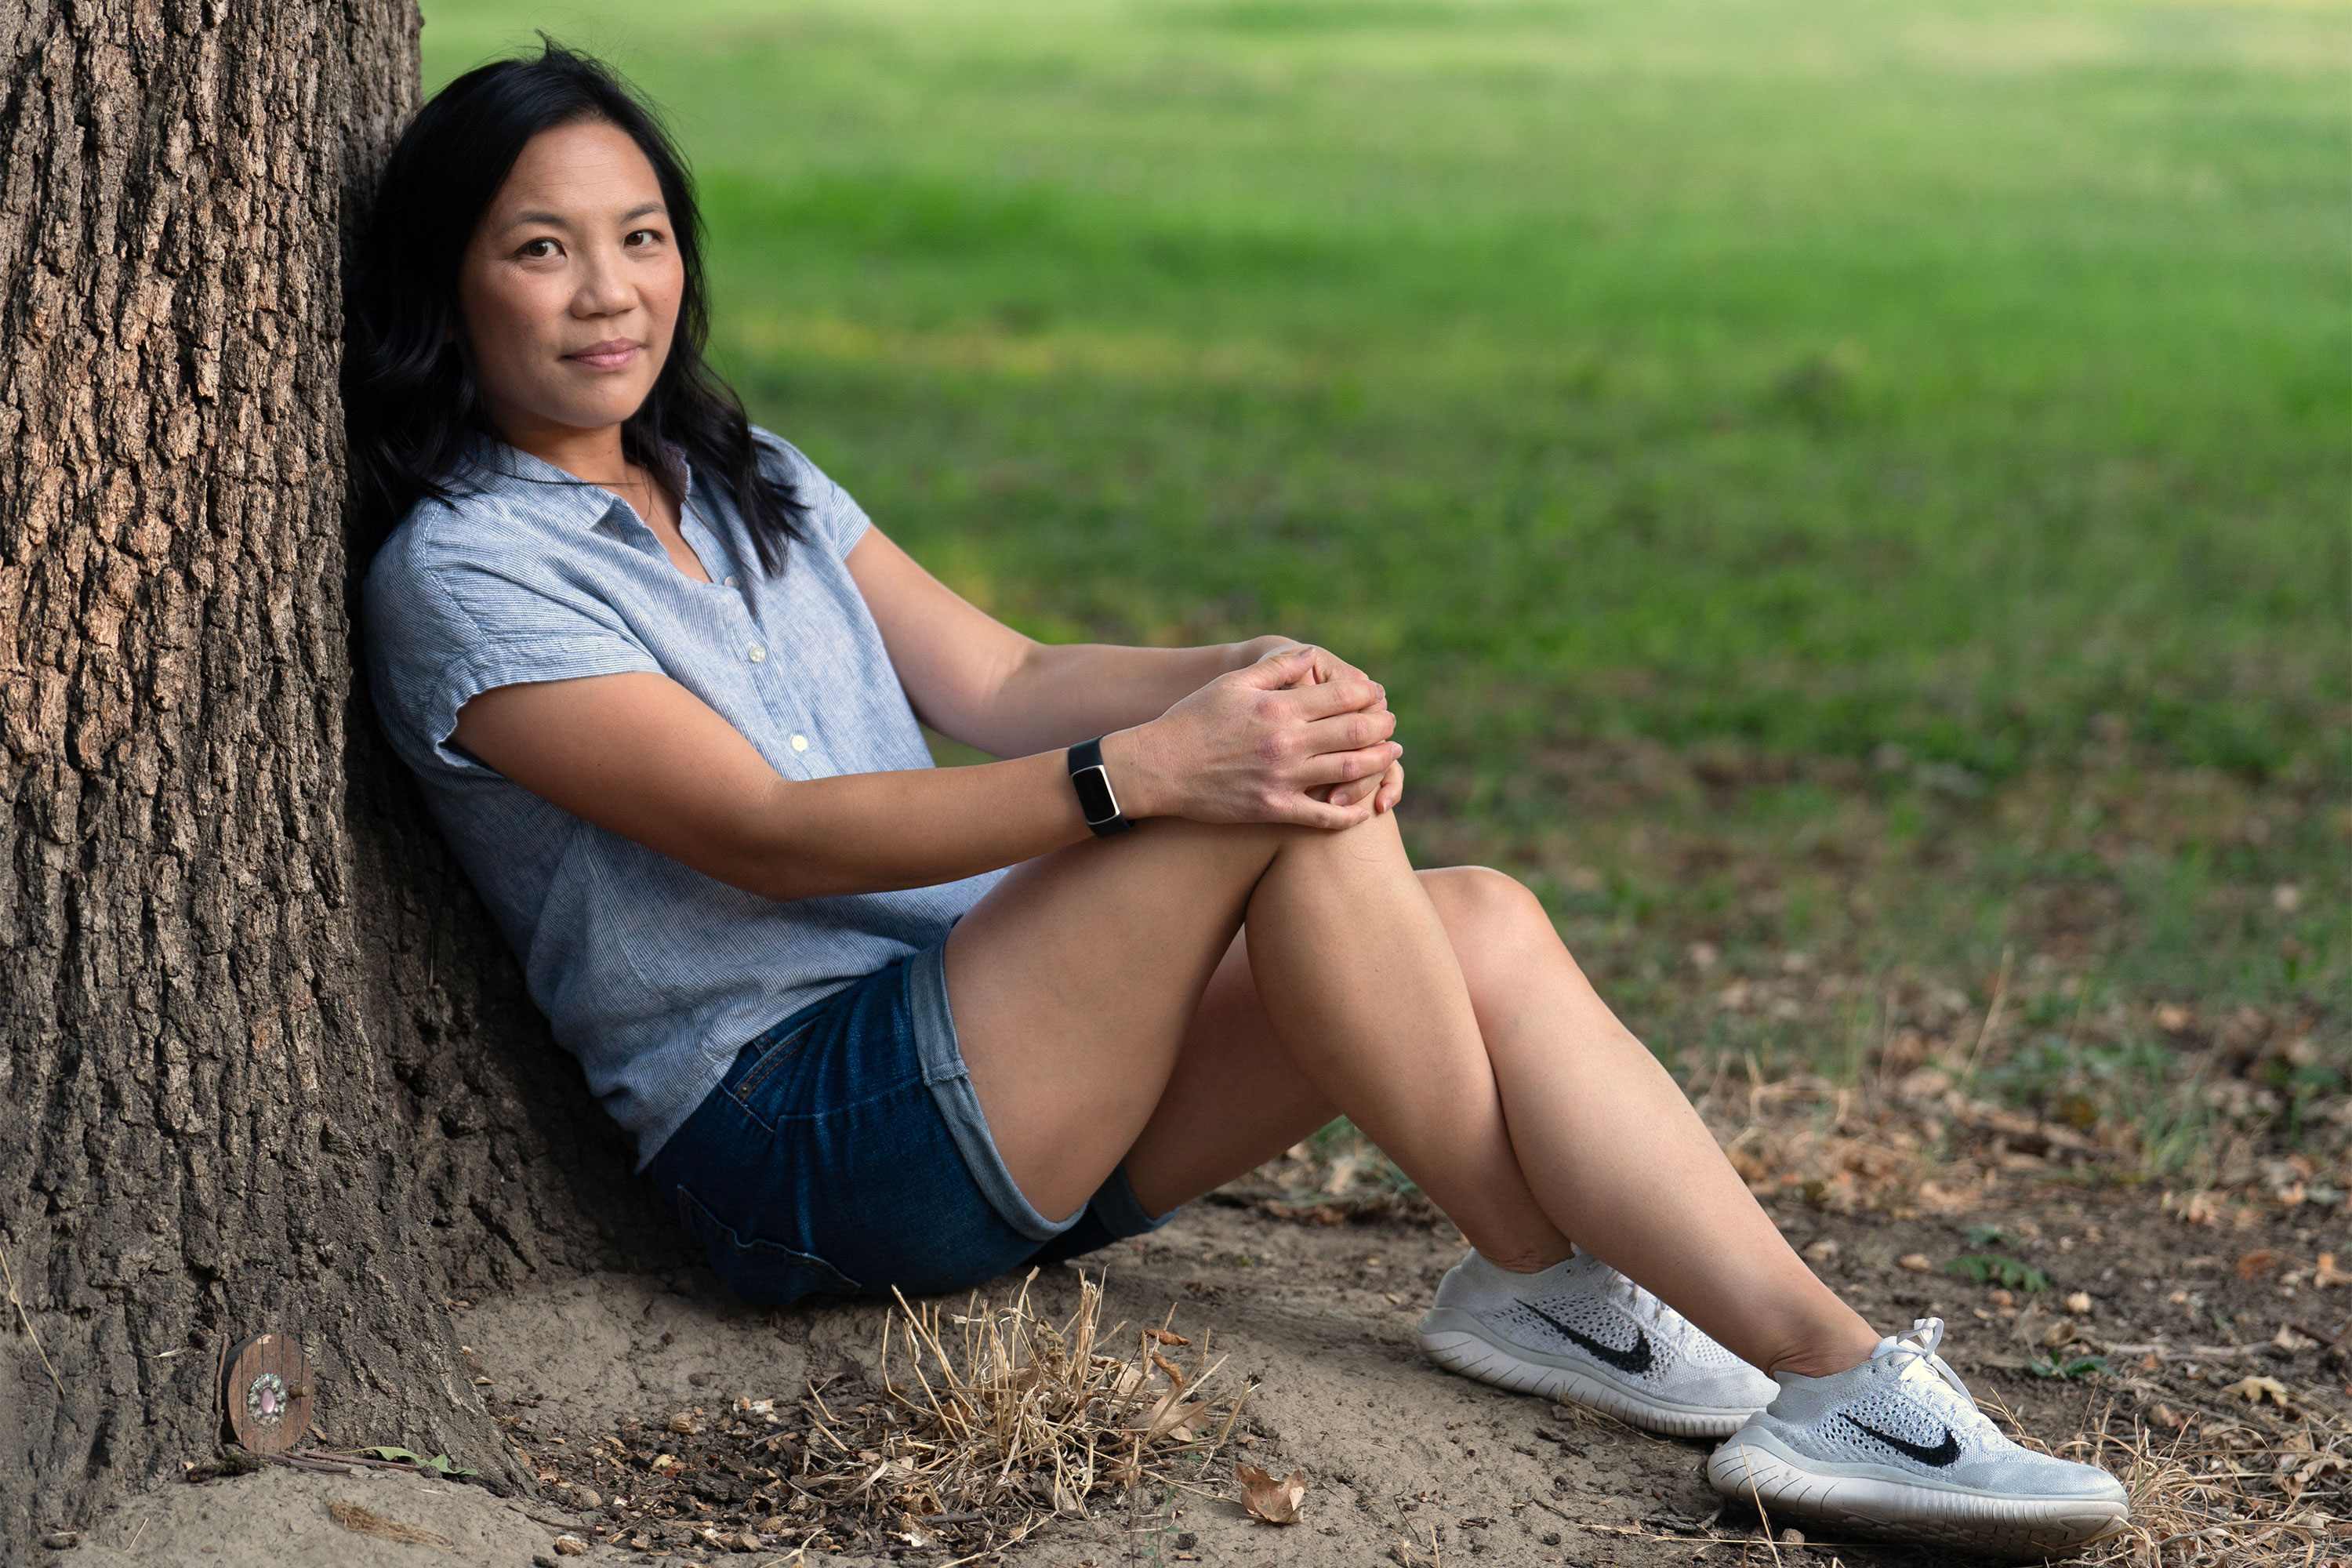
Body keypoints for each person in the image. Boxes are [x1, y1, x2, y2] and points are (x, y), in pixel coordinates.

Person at [350, 44, 2129, 1555]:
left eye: (642, 237)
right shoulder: (466, 574)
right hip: (802, 1143)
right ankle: (1788, 1361)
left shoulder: (745, 477)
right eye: (543, 250)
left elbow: (1009, 677)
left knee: (1481, 917)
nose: (611, 291)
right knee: (1247, 798)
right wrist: (1157, 773)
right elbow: (767, 832)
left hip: (1015, 1075)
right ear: (452, 286)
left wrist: (1239, 671)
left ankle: (1614, 1312)